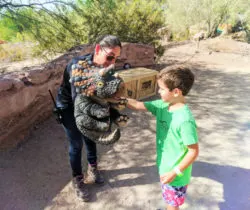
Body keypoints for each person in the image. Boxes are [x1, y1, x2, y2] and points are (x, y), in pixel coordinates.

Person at [56, 35, 122, 202]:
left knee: (91, 136)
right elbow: (81, 103)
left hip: (88, 103)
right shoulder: (78, 66)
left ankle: (93, 167)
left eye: (116, 58)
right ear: (98, 49)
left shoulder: (106, 68)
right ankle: (77, 178)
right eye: (110, 57)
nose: (112, 62)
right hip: (70, 106)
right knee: (77, 143)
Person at [126, 65, 199, 210]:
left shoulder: (185, 120)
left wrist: (175, 172)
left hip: (176, 176)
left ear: (176, 92)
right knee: (169, 201)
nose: (158, 92)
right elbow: (137, 104)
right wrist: (117, 99)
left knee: (172, 206)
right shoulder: (163, 105)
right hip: (165, 167)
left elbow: (193, 152)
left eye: (162, 89)